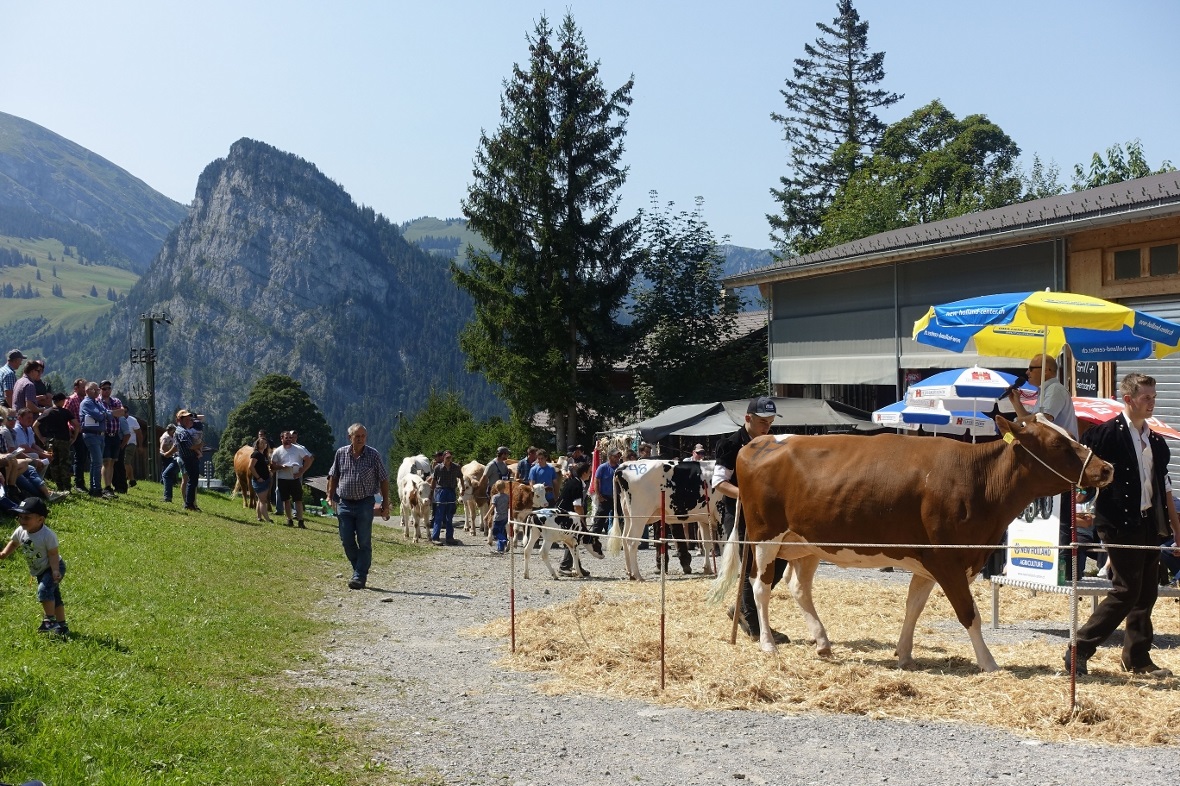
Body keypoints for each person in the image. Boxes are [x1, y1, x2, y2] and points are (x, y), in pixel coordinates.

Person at [1068, 373, 1180, 678]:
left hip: (1149, 524)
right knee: (1127, 590)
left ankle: (1137, 658)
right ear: (1128, 399)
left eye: (1154, 397)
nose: (1152, 402)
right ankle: (1079, 649)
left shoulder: (1156, 442)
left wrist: (1175, 529)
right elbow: (1083, 477)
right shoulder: (1103, 435)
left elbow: (1164, 488)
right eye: (1146, 397)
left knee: (1146, 593)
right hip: (1117, 522)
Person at [713, 395, 788, 642]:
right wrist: (748, 496)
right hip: (738, 513)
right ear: (748, 418)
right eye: (763, 422)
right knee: (751, 567)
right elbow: (719, 483)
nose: (767, 427)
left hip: (767, 515)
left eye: (771, 422)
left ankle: (741, 609)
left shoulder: (773, 444)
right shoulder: (730, 444)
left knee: (779, 561)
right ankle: (755, 628)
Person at [1009, 353, 1082, 577]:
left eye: (1031, 368)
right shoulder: (1045, 392)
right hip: (1052, 464)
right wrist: (1016, 404)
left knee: (1062, 519)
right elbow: (1033, 422)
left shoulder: (1055, 390)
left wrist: (1017, 422)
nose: (1027, 372)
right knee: (1053, 517)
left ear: (1048, 370)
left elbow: (1043, 421)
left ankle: (1067, 571)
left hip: (1063, 463)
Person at [326, 423, 390, 590]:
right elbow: (333, 475)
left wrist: (385, 502)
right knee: (346, 540)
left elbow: (383, 479)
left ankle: (359, 575)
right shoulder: (341, 453)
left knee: (364, 541)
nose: (361, 439)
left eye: (363, 436)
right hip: (344, 503)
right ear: (350, 437)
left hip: (364, 503)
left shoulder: (373, 455)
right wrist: (330, 496)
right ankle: (358, 570)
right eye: (357, 436)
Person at [0, 497, 68, 636]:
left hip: (53, 567)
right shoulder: (21, 531)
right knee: (54, 597)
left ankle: (49, 620)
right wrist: (4, 553)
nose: (22, 520)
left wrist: (55, 570)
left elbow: (53, 554)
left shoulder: (47, 535)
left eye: (27, 517)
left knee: (44, 591)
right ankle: (62, 627)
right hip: (40, 570)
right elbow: (14, 543)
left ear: (40, 519)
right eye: (20, 517)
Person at [557, 461, 601, 576]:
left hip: (565, 514)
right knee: (572, 539)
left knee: (575, 540)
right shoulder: (577, 485)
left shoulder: (574, 481)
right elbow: (577, 506)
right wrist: (582, 520)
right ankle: (564, 566)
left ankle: (577, 567)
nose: (590, 474)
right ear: (584, 473)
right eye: (589, 472)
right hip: (565, 516)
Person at [34, 394, 77, 493]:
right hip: (63, 441)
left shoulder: (47, 412)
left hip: (50, 441)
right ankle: (67, 487)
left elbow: (35, 425)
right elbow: (76, 425)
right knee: (65, 463)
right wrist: (74, 437)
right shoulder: (66, 412)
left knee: (54, 463)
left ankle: (59, 486)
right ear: (61, 401)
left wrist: (41, 438)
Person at [270, 430, 313, 526]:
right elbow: (272, 466)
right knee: (286, 500)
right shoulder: (277, 451)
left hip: (295, 478)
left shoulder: (298, 449)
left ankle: (300, 520)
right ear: (281, 439)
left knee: (298, 500)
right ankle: (289, 520)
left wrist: (301, 472)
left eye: (290, 437)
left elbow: (308, 460)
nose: (289, 439)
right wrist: (281, 467)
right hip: (282, 478)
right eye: (287, 438)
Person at [78, 382, 110, 498]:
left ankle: (93, 488)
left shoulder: (97, 402)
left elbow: (108, 415)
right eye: (94, 390)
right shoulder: (86, 403)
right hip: (91, 435)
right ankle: (97, 489)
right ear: (87, 391)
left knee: (95, 462)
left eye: (98, 390)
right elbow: (100, 416)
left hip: (100, 435)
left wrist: (104, 414)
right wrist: (104, 414)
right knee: (97, 462)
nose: (97, 392)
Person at [97, 381, 127, 495]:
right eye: (104, 388)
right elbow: (100, 414)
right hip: (104, 435)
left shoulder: (116, 400)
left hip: (115, 435)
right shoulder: (97, 401)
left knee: (113, 461)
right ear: (100, 389)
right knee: (106, 461)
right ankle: (107, 486)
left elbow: (122, 412)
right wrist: (113, 412)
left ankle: (109, 485)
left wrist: (108, 413)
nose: (107, 390)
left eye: (109, 388)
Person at [429, 450, 462, 545]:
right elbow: (434, 480)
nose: (449, 459)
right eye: (447, 457)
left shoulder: (455, 467)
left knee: (449, 516)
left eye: (450, 457)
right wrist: (431, 492)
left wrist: (463, 488)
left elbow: (461, 477)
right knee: (439, 515)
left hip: (451, 491)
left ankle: (450, 538)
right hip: (441, 491)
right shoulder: (438, 468)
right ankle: (435, 537)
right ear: (443, 457)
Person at [173, 409, 204, 511]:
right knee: (192, 481)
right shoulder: (183, 432)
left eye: (190, 419)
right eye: (186, 419)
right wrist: (200, 445)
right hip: (189, 458)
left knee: (191, 481)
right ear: (180, 420)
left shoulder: (180, 430)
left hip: (188, 458)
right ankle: (189, 504)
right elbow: (190, 446)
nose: (189, 421)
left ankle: (190, 503)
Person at [64, 378, 88, 492]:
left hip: (85, 432)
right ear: (76, 388)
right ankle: (78, 483)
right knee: (78, 457)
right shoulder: (71, 400)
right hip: (75, 433)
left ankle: (80, 481)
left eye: (85, 387)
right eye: (83, 387)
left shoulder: (86, 400)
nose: (85, 389)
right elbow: (64, 415)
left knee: (82, 458)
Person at [592, 448, 622, 536]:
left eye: (618, 456)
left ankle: (617, 536)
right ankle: (594, 537)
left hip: (617, 497)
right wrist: (598, 495)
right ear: (610, 457)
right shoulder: (603, 467)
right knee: (600, 518)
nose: (617, 458)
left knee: (619, 517)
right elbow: (596, 481)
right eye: (615, 456)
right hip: (605, 497)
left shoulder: (619, 468)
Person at [249, 436, 273, 523]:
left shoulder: (264, 455)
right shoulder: (256, 454)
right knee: (263, 501)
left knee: (260, 500)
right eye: (261, 443)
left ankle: (259, 517)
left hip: (265, 480)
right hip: (259, 481)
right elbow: (251, 467)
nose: (263, 444)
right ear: (257, 444)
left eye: (265, 443)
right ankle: (267, 519)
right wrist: (258, 477)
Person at [485, 479, 511, 553]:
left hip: (498, 517)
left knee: (495, 532)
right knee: (501, 532)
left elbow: (492, 507)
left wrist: (487, 515)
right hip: (505, 517)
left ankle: (505, 541)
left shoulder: (495, 497)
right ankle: (500, 548)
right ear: (504, 487)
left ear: (496, 488)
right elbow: (509, 506)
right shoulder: (507, 497)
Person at [159, 424, 180, 502]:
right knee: (166, 472)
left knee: (167, 472)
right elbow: (163, 446)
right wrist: (168, 453)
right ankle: (164, 483)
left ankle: (167, 493)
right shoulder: (166, 437)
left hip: (171, 455)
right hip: (167, 455)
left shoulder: (171, 436)